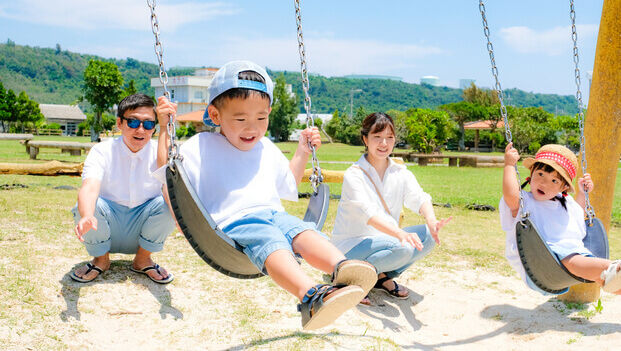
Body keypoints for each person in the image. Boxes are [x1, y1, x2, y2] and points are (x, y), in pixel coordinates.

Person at [179, 60, 376, 330]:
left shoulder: (266, 147)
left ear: (269, 112)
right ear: (215, 115)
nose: (252, 128)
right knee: (270, 237)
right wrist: (182, 221)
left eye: (261, 118)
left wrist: (303, 151)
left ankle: (343, 269)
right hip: (234, 221)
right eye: (240, 119)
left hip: (273, 214)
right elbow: (173, 181)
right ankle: (310, 296)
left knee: (300, 230)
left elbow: (288, 184)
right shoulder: (200, 146)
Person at [500, 143, 621, 315]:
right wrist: (509, 166)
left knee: (601, 276)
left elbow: (576, 220)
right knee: (591, 265)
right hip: (542, 261)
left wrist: (582, 194)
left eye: (554, 180)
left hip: (570, 256)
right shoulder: (525, 202)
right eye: (540, 174)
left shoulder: (565, 203)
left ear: (564, 187)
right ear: (530, 175)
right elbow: (511, 196)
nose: (544, 183)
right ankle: (614, 266)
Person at [331, 112, 452, 306]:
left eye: (389, 138)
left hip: (384, 241)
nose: (384, 144)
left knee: (428, 236)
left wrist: (431, 219)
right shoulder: (354, 175)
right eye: (377, 137)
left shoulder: (399, 172)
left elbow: (419, 197)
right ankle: (350, 277)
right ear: (365, 139)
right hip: (350, 247)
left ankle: (379, 276)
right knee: (403, 247)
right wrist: (399, 234)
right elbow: (368, 215)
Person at [71, 93, 178, 284]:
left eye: (148, 124)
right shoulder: (102, 151)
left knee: (169, 203)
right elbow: (89, 187)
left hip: (143, 230)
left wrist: (164, 126)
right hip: (104, 228)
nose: (140, 130)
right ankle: (101, 260)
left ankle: (143, 259)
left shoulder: (158, 151)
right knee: (89, 204)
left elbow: (166, 179)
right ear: (119, 123)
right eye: (133, 122)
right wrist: (87, 214)